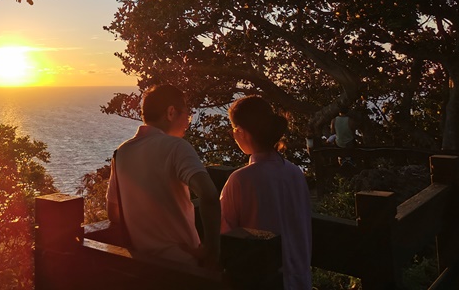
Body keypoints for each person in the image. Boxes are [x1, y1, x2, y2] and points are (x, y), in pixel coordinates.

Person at [106, 84, 220, 269]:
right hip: (183, 268)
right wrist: (212, 251)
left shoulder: (122, 152)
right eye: (187, 115)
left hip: (142, 267)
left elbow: (114, 213)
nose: (187, 122)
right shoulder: (177, 147)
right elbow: (209, 195)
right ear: (171, 112)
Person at [220, 95, 312, 290]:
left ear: (243, 133)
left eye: (234, 129)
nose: (234, 134)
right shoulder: (295, 173)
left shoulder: (240, 180)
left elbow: (224, 233)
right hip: (299, 279)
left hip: (260, 279)